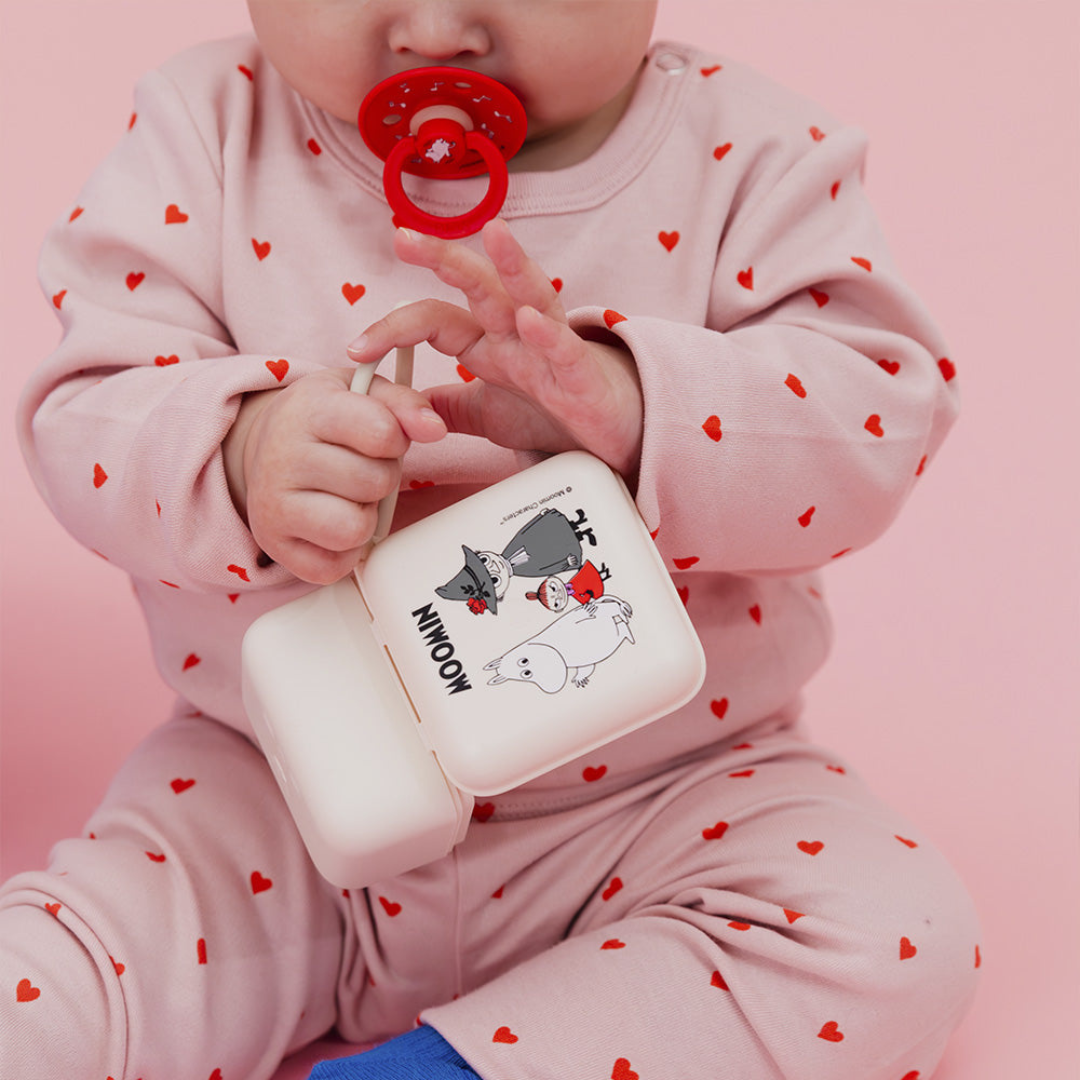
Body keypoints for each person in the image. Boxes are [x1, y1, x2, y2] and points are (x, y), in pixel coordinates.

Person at [2, 2, 981, 1078]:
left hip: (662, 798)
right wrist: (236, 453)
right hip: (273, 794)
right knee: (63, 969)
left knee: (892, 937)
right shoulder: (205, 130)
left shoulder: (756, 155)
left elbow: (878, 427)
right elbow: (82, 415)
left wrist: (637, 407)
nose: (434, 29)